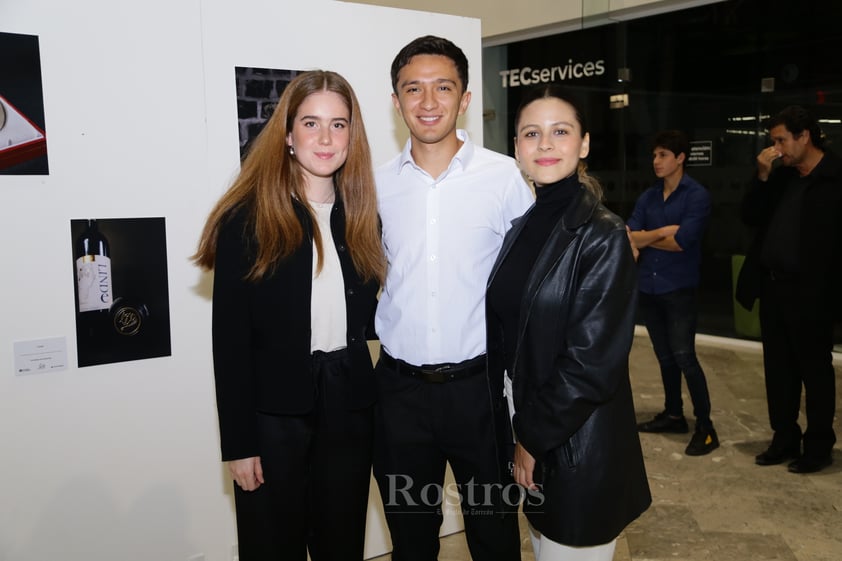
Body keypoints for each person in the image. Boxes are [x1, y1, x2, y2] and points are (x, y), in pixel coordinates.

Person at [193, 70, 386, 560]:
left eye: (339, 124)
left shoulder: (362, 216)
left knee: (341, 544)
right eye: (311, 123)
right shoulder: (249, 218)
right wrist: (239, 444)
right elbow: (230, 343)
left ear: (352, 136)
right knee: (271, 547)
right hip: (272, 413)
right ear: (287, 136)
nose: (326, 138)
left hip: (348, 403)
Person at [373, 35, 534, 561]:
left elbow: (529, 287)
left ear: (464, 98)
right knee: (412, 541)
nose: (427, 101)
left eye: (443, 87)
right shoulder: (376, 187)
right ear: (395, 102)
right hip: (399, 396)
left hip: (480, 394)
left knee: (493, 537)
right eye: (412, 89)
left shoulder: (504, 177)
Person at [487, 84, 651, 561]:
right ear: (515, 148)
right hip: (534, 424)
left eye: (560, 132)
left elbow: (592, 363)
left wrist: (530, 439)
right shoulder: (522, 227)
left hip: (577, 443)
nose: (544, 144)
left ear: (583, 145)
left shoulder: (602, 235)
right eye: (531, 134)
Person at [736, 105, 842, 474]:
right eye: (773, 141)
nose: (776, 148)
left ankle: (817, 445)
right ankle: (784, 438)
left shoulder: (835, 177)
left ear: (804, 136)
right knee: (778, 370)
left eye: (781, 140)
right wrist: (762, 176)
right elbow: (751, 216)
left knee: (815, 371)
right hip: (774, 287)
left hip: (814, 293)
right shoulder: (781, 177)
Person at [627, 130, 719, 456]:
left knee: (684, 357)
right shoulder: (649, 196)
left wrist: (646, 237)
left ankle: (706, 427)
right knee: (665, 357)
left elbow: (682, 242)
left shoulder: (696, 196)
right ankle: (673, 414)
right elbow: (629, 238)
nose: (656, 161)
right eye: (654, 155)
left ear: (680, 158)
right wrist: (660, 232)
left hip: (678, 289)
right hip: (649, 288)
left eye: (663, 155)